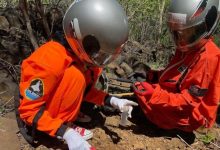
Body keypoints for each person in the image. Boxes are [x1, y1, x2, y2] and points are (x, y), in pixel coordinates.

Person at [17, 0, 138, 150]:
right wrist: (65, 132)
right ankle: (60, 123)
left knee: (80, 74)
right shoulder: (49, 59)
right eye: (96, 51)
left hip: (56, 116)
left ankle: (67, 120)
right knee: (74, 75)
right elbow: (28, 111)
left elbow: (85, 91)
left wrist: (112, 100)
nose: (98, 58)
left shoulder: (80, 58)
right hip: (38, 122)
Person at [133, 0, 220, 132]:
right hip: (177, 100)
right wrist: (156, 76)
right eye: (177, 33)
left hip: (191, 117)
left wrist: (154, 94)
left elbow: (189, 102)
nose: (181, 39)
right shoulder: (188, 47)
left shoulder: (207, 58)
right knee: (140, 81)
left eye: (188, 32)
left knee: (143, 96)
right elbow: (177, 76)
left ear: (206, 25)